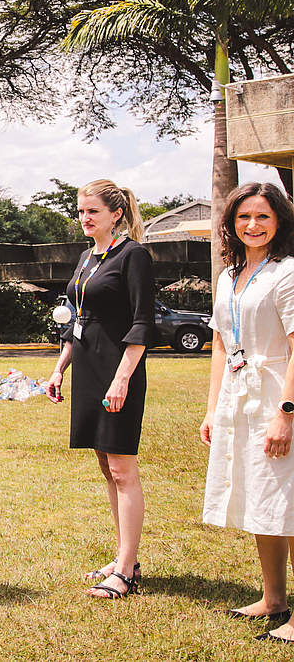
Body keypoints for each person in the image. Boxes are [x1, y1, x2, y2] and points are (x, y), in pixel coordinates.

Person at [45, 179, 153, 600]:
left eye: (92, 211)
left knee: (124, 470)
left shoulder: (134, 256)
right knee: (108, 469)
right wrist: (58, 370)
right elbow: (77, 319)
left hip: (118, 371)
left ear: (117, 214)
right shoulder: (87, 257)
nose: (84, 218)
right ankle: (126, 556)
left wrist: (122, 378)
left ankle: (125, 570)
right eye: (81, 211)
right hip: (87, 371)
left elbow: (142, 323)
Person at [199, 182, 294, 642]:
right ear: (231, 224)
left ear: (279, 222)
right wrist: (213, 409)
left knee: (289, 502)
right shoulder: (227, 275)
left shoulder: (288, 272)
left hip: (278, 394)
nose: (252, 225)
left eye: (262, 216)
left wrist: (286, 413)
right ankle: (273, 597)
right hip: (238, 398)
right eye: (243, 217)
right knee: (261, 499)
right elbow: (220, 344)